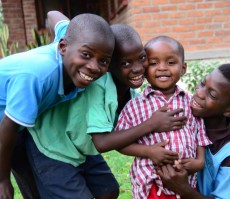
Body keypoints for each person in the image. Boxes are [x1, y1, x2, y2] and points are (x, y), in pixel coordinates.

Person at [25, 11, 186, 199]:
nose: (137, 68)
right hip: (53, 148)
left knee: (108, 191)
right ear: (109, 65)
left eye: (141, 58)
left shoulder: (131, 93)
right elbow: (102, 142)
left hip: (80, 147)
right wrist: (152, 124)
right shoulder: (98, 87)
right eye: (125, 63)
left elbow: (124, 137)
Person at [0, 13, 115, 199]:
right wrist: (2, 180)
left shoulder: (73, 38)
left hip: (24, 123)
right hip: (7, 126)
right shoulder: (37, 76)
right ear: (63, 46)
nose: (94, 67)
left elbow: (53, 14)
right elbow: (7, 127)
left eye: (103, 61)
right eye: (86, 55)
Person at [115, 36, 212, 199]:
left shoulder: (190, 103)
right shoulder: (135, 106)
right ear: (144, 69)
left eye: (171, 62)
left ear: (183, 68)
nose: (162, 68)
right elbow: (121, 142)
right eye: (153, 63)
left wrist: (200, 161)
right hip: (150, 182)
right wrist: (149, 151)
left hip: (185, 181)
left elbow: (200, 135)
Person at [157, 63, 230, 199]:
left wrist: (183, 189)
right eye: (203, 84)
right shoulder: (182, 112)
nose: (199, 93)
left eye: (212, 95)